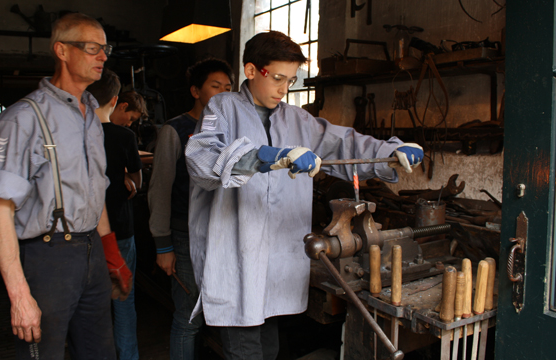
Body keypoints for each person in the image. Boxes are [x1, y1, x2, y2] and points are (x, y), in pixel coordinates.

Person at [184, 31, 424, 360]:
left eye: (292, 80)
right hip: (235, 256)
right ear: (252, 71)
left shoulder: (297, 118)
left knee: (269, 346)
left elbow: (343, 144)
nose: (285, 90)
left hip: (274, 261)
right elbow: (202, 159)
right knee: (245, 350)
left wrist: (390, 152)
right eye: (278, 78)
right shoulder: (221, 108)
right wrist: (264, 157)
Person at [0, 13, 132, 360]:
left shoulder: (91, 116)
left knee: (99, 353)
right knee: (42, 354)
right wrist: (20, 296)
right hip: (48, 258)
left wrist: (111, 255)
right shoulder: (24, 118)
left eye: (105, 49)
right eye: (93, 48)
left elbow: (97, 191)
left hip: (90, 252)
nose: (103, 57)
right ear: (62, 51)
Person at [148, 58, 234, 360]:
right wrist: (163, 246)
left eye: (228, 87)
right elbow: (160, 190)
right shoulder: (176, 130)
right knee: (188, 318)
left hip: (223, 237)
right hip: (184, 238)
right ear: (196, 91)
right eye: (215, 86)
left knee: (223, 315)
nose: (223, 93)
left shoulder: (232, 133)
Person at [87, 68, 143, 360]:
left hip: (84, 231)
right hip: (119, 227)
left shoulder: (76, 133)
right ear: (115, 100)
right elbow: (137, 183)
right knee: (124, 301)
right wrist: (126, 177)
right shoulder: (123, 136)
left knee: (89, 304)